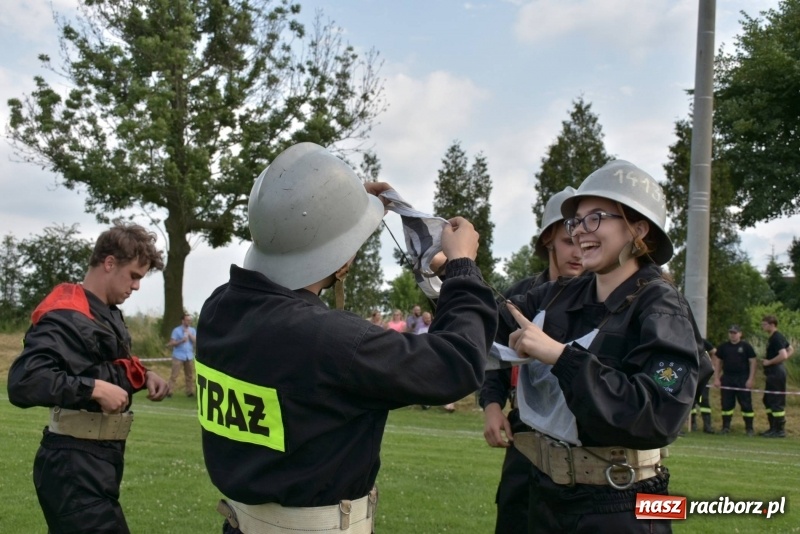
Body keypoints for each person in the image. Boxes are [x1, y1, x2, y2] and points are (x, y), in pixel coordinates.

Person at [195, 142, 498, 534]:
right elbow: (455, 363)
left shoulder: (219, 309)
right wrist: (462, 268)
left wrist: (339, 205)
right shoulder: (329, 342)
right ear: (343, 262)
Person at [496, 160, 705, 533]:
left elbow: (657, 414)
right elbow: (493, 317)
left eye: (596, 218)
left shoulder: (662, 307)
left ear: (638, 229)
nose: (579, 233)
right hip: (547, 494)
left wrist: (561, 357)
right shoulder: (566, 292)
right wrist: (450, 269)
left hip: (623, 503)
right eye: (576, 221)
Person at [6, 222, 170, 533]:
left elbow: (101, 363)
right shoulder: (65, 313)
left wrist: (144, 375)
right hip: (73, 464)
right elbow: (24, 380)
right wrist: (92, 389)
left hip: (97, 460)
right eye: (134, 275)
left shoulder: (105, 311)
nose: (136, 286)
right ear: (110, 263)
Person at [479, 186, 583, 534]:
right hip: (525, 434)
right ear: (548, 241)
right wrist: (492, 406)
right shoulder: (521, 296)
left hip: (585, 439)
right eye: (569, 240)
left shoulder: (607, 299)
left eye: (585, 240)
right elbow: (492, 354)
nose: (578, 251)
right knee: (515, 516)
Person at [713, 325, 756, 436]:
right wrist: (717, 378)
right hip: (727, 378)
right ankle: (725, 427)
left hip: (743, 378)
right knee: (726, 404)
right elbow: (718, 362)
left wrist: (750, 379)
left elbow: (753, 362)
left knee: (746, 404)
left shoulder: (746, 347)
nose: (732, 335)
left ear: (740, 334)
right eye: (731, 332)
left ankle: (749, 429)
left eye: (735, 333)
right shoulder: (723, 347)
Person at [760, 315, 793, 438]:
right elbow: (790, 349)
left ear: (772, 324)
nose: (763, 327)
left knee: (776, 401)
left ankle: (779, 430)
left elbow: (784, 355)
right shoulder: (775, 337)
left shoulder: (776, 338)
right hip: (773, 372)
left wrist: (770, 362)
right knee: (768, 399)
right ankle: (772, 427)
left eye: (765, 324)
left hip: (776, 372)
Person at [689, 338, 717, 434]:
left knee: (704, 400)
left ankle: (707, 426)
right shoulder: (684, 338)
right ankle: (692, 424)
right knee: (690, 400)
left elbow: (714, 351)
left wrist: (711, 364)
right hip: (690, 374)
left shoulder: (701, 341)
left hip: (702, 374)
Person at [167, 312, 197, 397]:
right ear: (183, 321)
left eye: (190, 320)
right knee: (174, 375)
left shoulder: (192, 330)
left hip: (189, 355)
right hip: (178, 356)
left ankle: (189, 391)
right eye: (187, 320)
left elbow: (195, 341)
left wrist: (189, 334)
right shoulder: (176, 330)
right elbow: (172, 343)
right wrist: (181, 341)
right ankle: (169, 391)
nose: (189, 322)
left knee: (189, 375)